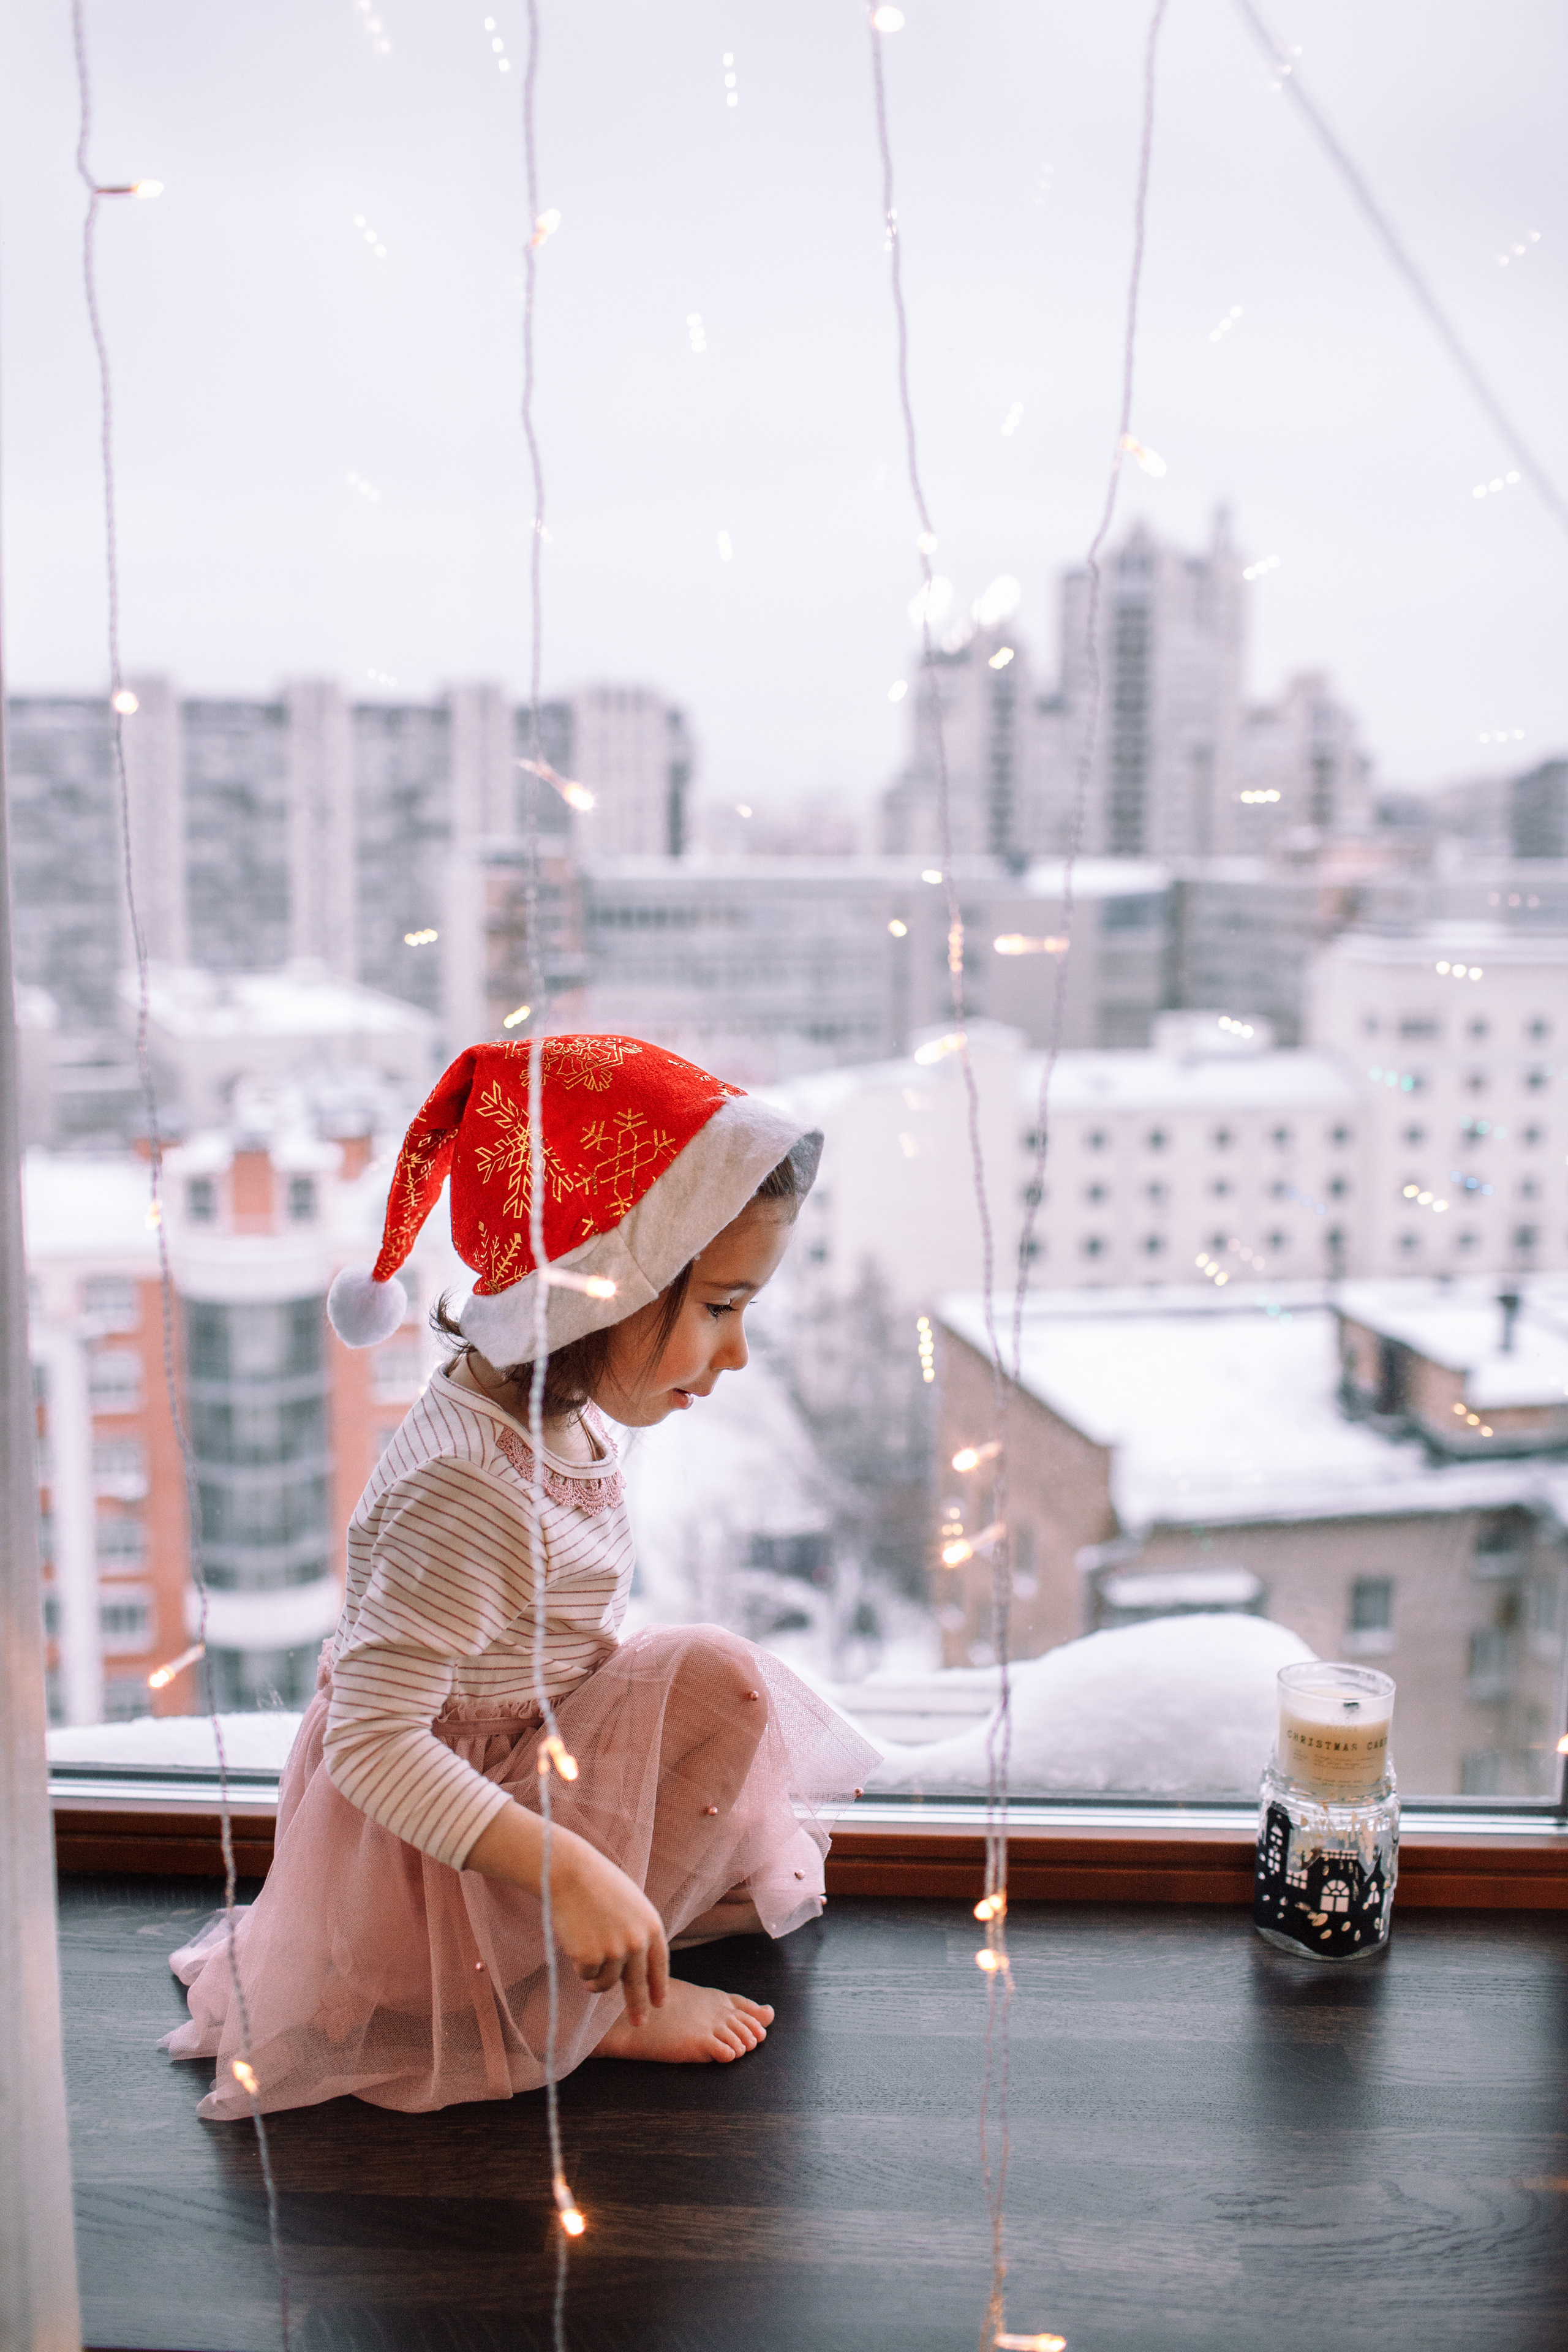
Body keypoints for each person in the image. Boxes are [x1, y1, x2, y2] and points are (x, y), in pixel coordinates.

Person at [164, 1035, 878, 2117]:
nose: (735, 1356)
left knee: (711, 1679)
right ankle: (583, 2001)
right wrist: (573, 1871)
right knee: (706, 1672)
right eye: (720, 1309)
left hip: (517, 1771)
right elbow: (371, 1742)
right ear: (607, 1285)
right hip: (420, 1878)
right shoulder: (466, 1486)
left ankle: (599, 1937)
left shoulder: (545, 1416)